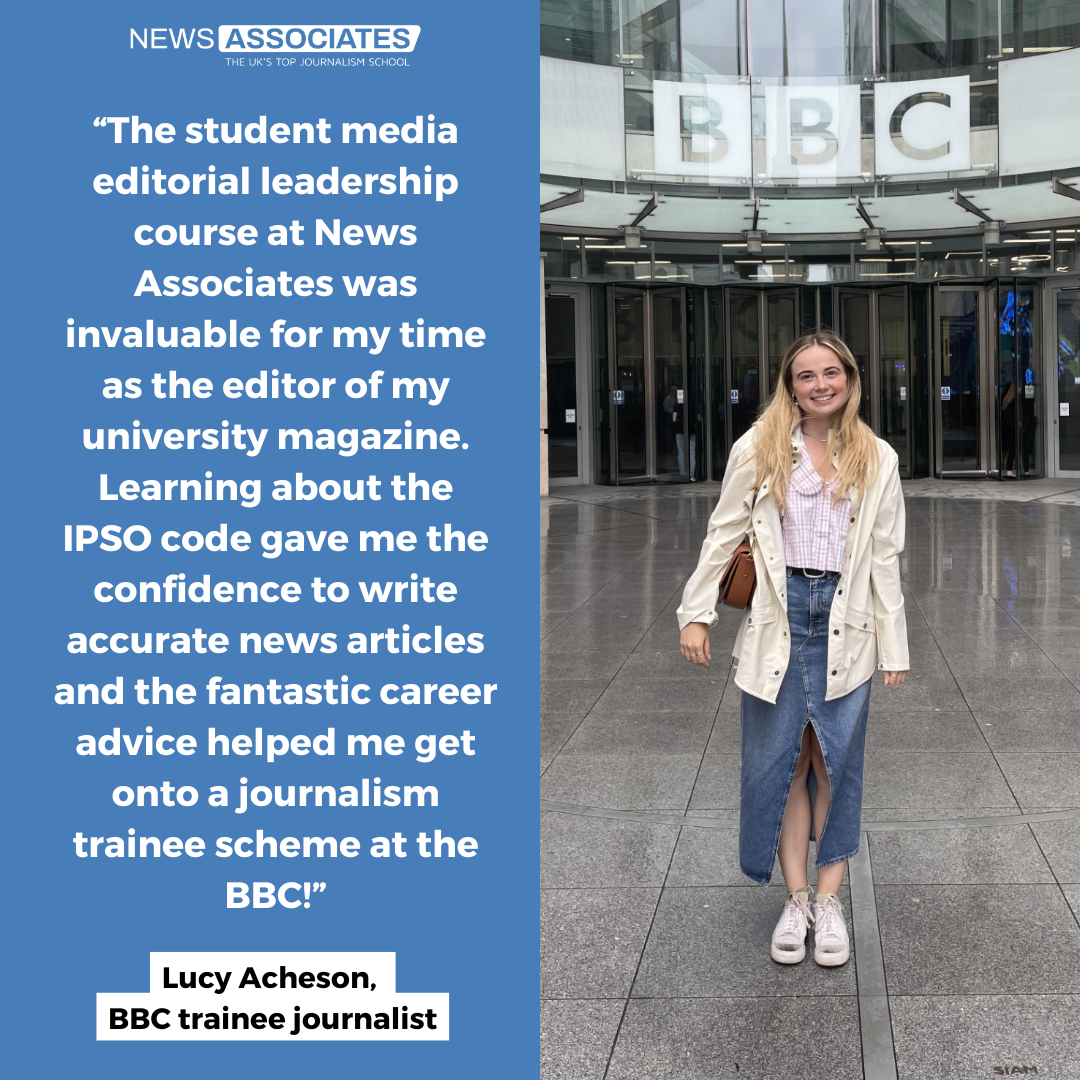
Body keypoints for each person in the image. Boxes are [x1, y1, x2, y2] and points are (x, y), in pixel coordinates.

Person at [677, 329, 909, 967]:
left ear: (850, 378)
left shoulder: (876, 455)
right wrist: (696, 615)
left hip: (848, 619)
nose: (820, 384)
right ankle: (796, 897)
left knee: (835, 761)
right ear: (789, 384)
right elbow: (723, 532)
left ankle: (830, 902)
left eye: (830, 372)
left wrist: (895, 644)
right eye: (806, 375)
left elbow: (885, 556)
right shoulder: (760, 447)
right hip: (780, 617)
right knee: (781, 764)